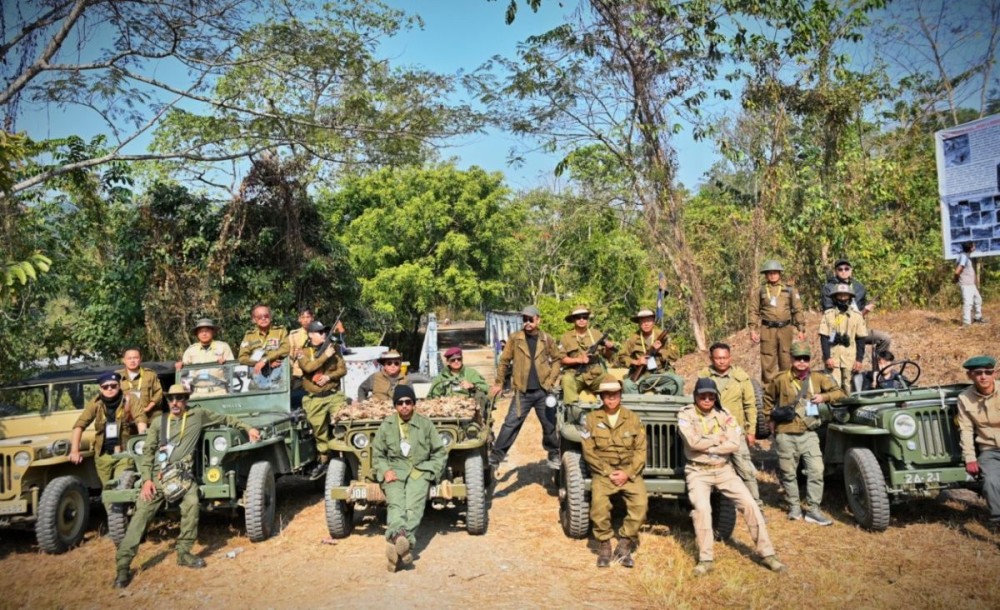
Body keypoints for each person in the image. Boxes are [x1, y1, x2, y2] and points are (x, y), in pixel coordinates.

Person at [113, 384, 260, 588]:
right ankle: (122, 567)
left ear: (186, 400)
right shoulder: (159, 422)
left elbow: (226, 419)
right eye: (171, 398)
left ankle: (184, 553)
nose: (175, 402)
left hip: (183, 477)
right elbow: (148, 452)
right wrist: (146, 480)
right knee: (141, 515)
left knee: (191, 504)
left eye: (180, 398)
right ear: (167, 401)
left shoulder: (197, 415)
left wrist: (248, 427)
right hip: (159, 477)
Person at [678, 378, 787, 576]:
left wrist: (708, 445)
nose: (707, 400)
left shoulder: (724, 414)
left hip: (724, 470)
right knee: (702, 510)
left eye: (711, 396)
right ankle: (706, 559)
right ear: (695, 396)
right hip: (698, 471)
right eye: (703, 396)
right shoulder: (686, 414)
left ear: (716, 397)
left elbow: (734, 443)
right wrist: (717, 439)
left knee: (750, 505)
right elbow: (692, 442)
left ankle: (768, 554)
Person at [762, 342, 846, 525]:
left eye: (805, 358)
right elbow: (767, 398)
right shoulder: (780, 379)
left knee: (816, 471)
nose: (801, 362)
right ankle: (794, 507)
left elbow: (841, 393)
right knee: (788, 473)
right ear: (791, 359)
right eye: (798, 358)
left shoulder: (818, 378)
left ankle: (814, 510)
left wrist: (824, 397)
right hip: (785, 433)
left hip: (809, 433)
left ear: (809, 360)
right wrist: (770, 420)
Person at [373, 385, 447, 572]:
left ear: (414, 404)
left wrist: (430, 470)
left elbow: (439, 452)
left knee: (414, 506)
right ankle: (403, 544)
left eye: (408, 402)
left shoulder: (425, 424)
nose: (404, 406)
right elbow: (378, 453)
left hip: (419, 470)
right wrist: (385, 470)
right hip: (395, 470)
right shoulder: (387, 425)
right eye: (400, 403)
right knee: (396, 503)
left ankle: (397, 541)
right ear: (395, 406)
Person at [580, 376, 647, 568]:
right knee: (598, 508)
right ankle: (604, 545)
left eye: (615, 394)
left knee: (641, 505)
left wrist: (628, 473)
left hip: (629, 471)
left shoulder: (633, 418)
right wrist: (608, 472)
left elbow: (641, 450)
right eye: (607, 394)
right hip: (603, 472)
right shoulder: (591, 419)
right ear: (601, 396)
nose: (611, 398)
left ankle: (624, 544)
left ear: (620, 395)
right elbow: (588, 451)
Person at [489, 305, 562, 470]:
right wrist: (499, 382)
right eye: (525, 319)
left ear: (538, 320)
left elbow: (557, 359)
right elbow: (504, 361)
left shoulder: (546, 339)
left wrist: (551, 380)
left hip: (543, 391)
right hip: (522, 393)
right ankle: (496, 456)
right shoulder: (515, 338)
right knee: (510, 424)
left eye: (531, 319)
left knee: (550, 424)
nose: (527, 323)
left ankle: (553, 453)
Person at [697, 342, 762, 509]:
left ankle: (755, 505)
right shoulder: (704, 377)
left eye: (725, 358)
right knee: (711, 470)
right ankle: (717, 507)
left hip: (735, 432)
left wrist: (751, 431)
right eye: (718, 358)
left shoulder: (741, 377)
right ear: (711, 358)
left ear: (730, 358)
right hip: (711, 433)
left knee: (745, 470)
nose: (721, 361)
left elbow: (750, 405)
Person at [69, 372, 146, 506]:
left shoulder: (130, 399)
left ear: (119, 386)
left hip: (124, 454)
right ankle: (115, 519)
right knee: (107, 493)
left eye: (113, 386)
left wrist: (142, 444)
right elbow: (79, 426)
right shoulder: (96, 403)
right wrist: (74, 450)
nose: (109, 389)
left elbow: (141, 420)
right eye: (105, 387)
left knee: (121, 486)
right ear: (100, 388)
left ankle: (124, 515)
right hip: (103, 455)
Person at [297, 320, 347, 478]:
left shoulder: (334, 348)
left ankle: (347, 455)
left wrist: (328, 377)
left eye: (325, 332)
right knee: (319, 431)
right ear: (311, 335)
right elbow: (308, 368)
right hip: (315, 399)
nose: (324, 334)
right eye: (320, 332)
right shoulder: (303, 352)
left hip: (333, 395)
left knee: (343, 423)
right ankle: (324, 459)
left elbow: (343, 370)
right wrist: (325, 356)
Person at [956, 356, 1000, 530]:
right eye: (978, 373)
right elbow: (966, 430)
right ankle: (998, 521)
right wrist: (970, 458)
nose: (983, 376)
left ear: (995, 373)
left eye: (988, 372)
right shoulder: (965, 398)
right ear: (970, 376)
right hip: (989, 450)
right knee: (990, 482)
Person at [749, 260, 805, 384]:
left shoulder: (789, 290)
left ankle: (786, 387)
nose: (772, 275)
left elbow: (797, 309)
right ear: (765, 275)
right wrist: (752, 329)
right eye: (769, 273)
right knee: (767, 359)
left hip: (785, 328)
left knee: (786, 358)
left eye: (775, 272)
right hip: (767, 329)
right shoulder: (760, 291)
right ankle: (769, 389)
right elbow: (753, 310)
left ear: (779, 273)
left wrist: (800, 329)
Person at [820, 258, 891, 354]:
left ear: (851, 270)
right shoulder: (828, 288)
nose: (843, 271)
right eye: (840, 269)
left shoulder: (859, 287)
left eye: (846, 268)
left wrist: (864, 311)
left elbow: (860, 314)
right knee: (834, 348)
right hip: (836, 330)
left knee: (885, 338)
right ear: (835, 271)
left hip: (857, 328)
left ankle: (878, 362)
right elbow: (829, 316)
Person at [558, 305, 615, 403]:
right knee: (566, 380)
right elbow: (561, 359)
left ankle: (609, 410)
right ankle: (573, 409)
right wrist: (578, 360)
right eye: (578, 317)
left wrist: (608, 348)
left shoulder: (596, 334)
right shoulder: (566, 337)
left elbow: (607, 356)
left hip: (594, 373)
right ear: (573, 319)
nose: (582, 320)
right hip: (575, 374)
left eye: (584, 317)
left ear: (588, 319)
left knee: (612, 381)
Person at [619, 308, 683, 395]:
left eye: (648, 320)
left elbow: (675, 355)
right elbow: (621, 357)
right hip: (643, 375)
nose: (646, 324)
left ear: (653, 321)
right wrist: (636, 362)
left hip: (662, 373)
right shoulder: (633, 338)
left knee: (678, 381)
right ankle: (638, 404)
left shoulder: (663, 336)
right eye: (643, 321)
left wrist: (660, 350)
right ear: (639, 323)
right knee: (627, 385)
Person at [818, 283, 868, 391]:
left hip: (850, 359)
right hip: (833, 358)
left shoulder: (857, 316)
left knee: (849, 387)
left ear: (850, 297)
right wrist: (827, 357)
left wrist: (859, 360)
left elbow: (861, 339)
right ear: (835, 297)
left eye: (845, 295)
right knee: (833, 387)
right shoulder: (828, 315)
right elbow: (824, 337)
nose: (842, 298)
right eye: (840, 295)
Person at [238, 304, 290, 388]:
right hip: (258, 379)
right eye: (259, 317)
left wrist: (265, 360)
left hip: (279, 378)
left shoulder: (280, 331)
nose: (263, 318)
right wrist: (264, 363)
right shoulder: (249, 336)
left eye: (266, 315)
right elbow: (242, 358)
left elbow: (285, 349)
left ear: (270, 317)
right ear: (254, 319)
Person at [118, 347, 164, 418]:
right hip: (125, 416)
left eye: (135, 358)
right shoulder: (117, 377)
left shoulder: (150, 375)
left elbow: (158, 393)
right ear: (124, 360)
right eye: (129, 358)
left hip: (148, 415)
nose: (132, 361)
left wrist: (148, 408)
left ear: (140, 359)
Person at [954, 242, 985, 326]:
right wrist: (955, 279)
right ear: (970, 248)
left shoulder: (965, 256)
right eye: (974, 246)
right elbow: (957, 271)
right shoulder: (964, 257)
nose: (975, 247)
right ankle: (966, 323)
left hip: (971, 284)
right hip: (966, 284)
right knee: (968, 303)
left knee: (978, 300)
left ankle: (977, 318)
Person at [288, 307, 315, 384]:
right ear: (299, 319)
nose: (305, 320)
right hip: (299, 374)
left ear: (312, 318)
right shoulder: (294, 335)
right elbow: (290, 356)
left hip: (315, 372)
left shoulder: (319, 333)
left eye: (308, 317)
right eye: (303, 317)